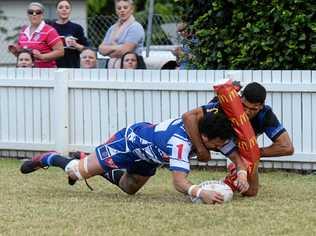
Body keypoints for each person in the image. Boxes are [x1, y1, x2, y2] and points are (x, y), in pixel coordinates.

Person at [20, 111, 249, 204]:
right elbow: (180, 183)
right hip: (129, 144)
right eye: (217, 144)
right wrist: (201, 193)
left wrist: (241, 171)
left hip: (149, 157)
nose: (221, 148)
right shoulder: (179, 143)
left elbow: (232, 151)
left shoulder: (209, 126)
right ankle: (49, 158)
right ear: (205, 137)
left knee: (128, 188)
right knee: (76, 173)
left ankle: (87, 159)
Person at [182, 82, 294, 197]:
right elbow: (189, 117)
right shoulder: (225, 104)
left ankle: (234, 171)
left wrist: (252, 153)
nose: (247, 112)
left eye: (253, 109)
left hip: (239, 147)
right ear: (240, 99)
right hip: (214, 141)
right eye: (244, 106)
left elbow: (287, 147)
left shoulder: (265, 114)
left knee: (250, 192)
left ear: (261, 106)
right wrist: (201, 148)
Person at [8, 2, 64, 68]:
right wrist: (16, 52)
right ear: (28, 15)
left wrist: (42, 57)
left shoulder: (50, 30)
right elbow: (24, 54)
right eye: (31, 12)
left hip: (46, 73)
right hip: (28, 72)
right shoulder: (23, 30)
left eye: (38, 12)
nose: (34, 14)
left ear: (42, 15)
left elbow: (60, 52)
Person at [98, 0, 145, 69]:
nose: (122, 10)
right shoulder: (112, 28)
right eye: (119, 8)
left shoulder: (136, 27)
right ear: (116, 11)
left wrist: (109, 50)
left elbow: (126, 50)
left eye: (125, 8)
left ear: (132, 10)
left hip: (133, 66)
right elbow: (101, 49)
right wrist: (119, 47)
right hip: (111, 64)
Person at [51, 0, 89, 68]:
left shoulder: (77, 28)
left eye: (67, 7)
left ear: (70, 11)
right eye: (61, 7)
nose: (64, 9)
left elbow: (86, 49)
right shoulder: (50, 28)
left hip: (72, 67)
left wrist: (75, 45)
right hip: (53, 67)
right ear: (56, 11)